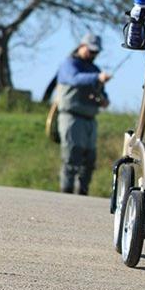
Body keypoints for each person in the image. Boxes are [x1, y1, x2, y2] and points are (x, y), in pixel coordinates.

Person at [55, 33, 111, 195]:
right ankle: (66, 191)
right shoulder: (69, 64)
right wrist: (97, 77)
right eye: (91, 50)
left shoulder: (94, 69)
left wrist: (103, 100)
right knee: (72, 157)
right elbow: (74, 79)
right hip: (71, 117)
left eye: (96, 52)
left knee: (89, 159)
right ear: (82, 46)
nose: (93, 54)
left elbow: (100, 92)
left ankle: (83, 193)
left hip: (90, 120)